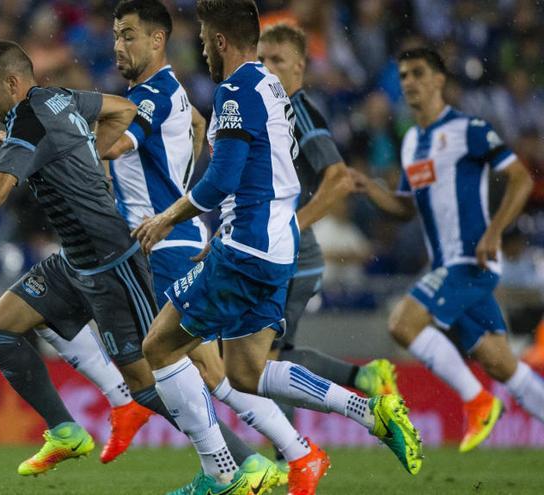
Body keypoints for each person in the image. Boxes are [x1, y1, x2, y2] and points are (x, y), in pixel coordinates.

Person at [0, 40, 262, 478]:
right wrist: (77, 148)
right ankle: (65, 430)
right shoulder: (58, 98)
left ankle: (245, 462)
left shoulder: (30, 118)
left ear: (13, 83)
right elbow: (121, 111)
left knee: (148, 387)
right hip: (74, 261)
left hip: (112, 263)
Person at [133, 2, 422, 493]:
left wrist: (166, 218)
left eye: (204, 36)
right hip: (273, 248)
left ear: (220, 41)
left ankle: (219, 472)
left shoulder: (235, 89)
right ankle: (372, 412)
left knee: (157, 346)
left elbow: (221, 180)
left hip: (247, 249)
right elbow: (261, 174)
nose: (201, 45)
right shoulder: (271, 86)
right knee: (247, 372)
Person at [352, 47, 544, 452]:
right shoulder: (411, 144)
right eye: (403, 75)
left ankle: (477, 402)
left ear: (439, 80)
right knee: (501, 363)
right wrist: (371, 188)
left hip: (471, 260)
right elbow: (406, 208)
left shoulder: (468, 128)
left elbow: (520, 180)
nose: (409, 82)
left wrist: (494, 232)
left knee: (402, 323)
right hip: (446, 267)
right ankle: (487, 397)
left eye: (418, 73)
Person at [256, 21, 401, 461]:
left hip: (295, 254)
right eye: (260, 59)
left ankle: (290, 456)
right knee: (277, 358)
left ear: (299, 67)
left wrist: (291, 226)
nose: (266, 68)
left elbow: (338, 178)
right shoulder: (270, 111)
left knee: (264, 360)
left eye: (276, 60)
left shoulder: (298, 110)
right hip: (282, 252)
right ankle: (363, 380)